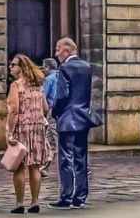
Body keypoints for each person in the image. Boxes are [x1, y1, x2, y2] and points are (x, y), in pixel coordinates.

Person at [49, 37, 97, 210]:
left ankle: (66, 196)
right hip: (83, 117)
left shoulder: (65, 68)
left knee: (65, 159)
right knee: (81, 159)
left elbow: (62, 95)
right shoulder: (85, 66)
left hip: (68, 118)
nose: (56, 54)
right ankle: (81, 197)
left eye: (58, 49)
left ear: (67, 51)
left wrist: (54, 112)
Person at [6, 55, 54, 214]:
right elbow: (46, 107)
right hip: (38, 129)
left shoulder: (16, 85)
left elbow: (14, 111)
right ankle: (34, 202)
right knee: (35, 167)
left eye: (13, 65)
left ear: (22, 67)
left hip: (22, 128)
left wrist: (9, 132)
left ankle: (19, 203)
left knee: (19, 167)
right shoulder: (38, 85)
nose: (10, 67)